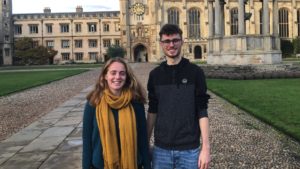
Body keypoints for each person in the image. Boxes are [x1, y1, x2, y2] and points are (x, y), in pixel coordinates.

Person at [147, 24, 211, 169]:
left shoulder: (195, 72)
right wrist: (145, 143)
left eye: (175, 40)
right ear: (161, 44)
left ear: (182, 41)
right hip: (161, 149)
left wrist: (206, 148)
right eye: (167, 41)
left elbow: (202, 111)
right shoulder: (155, 75)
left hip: (189, 149)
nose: (171, 45)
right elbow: (152, 110)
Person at [82, 57, 151, 169]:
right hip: (101, 165)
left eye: (122, 73)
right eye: (113, 73)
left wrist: (147, 166)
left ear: (127, 76)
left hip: (132, 163)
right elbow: (87, 139)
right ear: (105, 76)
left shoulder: (135, 103)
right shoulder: (93, 103)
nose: (117, 77)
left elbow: (142, 138)